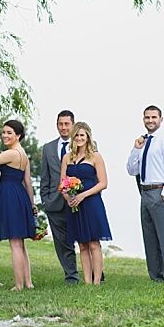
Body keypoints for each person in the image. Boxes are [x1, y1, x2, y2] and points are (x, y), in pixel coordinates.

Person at [125, 105, 164, 282]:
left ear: (160, 119)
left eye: (153, 117)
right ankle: (156, 276)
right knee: (149, 236)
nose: (150, 121)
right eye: (147, 118)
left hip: (160, 191)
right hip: (145, 192)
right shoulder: (142, 142)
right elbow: (131, 170)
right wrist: (135, 149)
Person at [0, 119, 36, 291]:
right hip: (20, 196)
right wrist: (31, 205)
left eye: (9, 133)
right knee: (20, 243)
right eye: (3, 132)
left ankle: (19, 285)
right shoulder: (24, 154)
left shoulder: (12, 154)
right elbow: (28, 182)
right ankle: (28, 282)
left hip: (10, 195)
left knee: (15, 243)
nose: (5, 135)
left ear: (18, 135)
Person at [60, 122, 112, 285]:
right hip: (74, 204)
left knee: (94, 243)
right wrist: (68, 197)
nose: (79, 138)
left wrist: (83, 195)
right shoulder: (67, 157)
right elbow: (62, 183)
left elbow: (103, 183)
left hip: (91, 203)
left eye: (82, 135)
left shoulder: (95, 157)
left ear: (88, 136)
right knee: (82, 245)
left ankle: (97, 281)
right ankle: (87, 282)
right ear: (72, 137)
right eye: (77, 135)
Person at [39, 110, 80, 285]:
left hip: (78, 200)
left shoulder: (83, 144)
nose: (63, 127)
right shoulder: (48, 148)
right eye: (60, 124)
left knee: (85, 238)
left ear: (73, 125)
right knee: (62, 242)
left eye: (67, 124)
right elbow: (45, 176)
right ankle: (71, 275)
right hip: (54, 202)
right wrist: (45, 199)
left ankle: (95, 274)